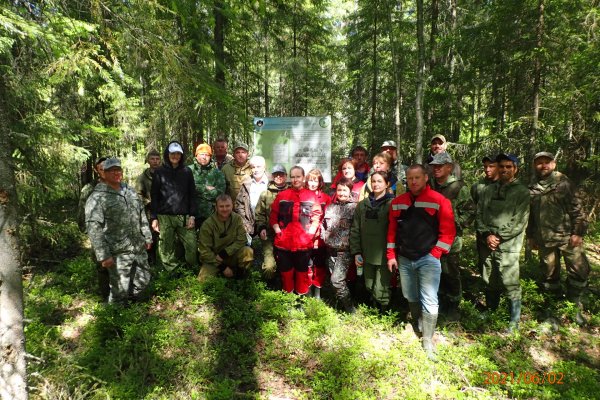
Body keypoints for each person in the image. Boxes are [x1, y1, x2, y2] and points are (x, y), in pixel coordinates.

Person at [386, 164, 455, 359]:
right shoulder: (398, 202)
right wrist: (391, 255)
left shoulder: (439, 200)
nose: (413, 181)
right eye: (410, 178)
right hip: (405, 258)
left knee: (430, 300)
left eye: (417, 177)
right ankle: (417, 323)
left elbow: (448, 230)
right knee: (410, 295)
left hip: (428, 258)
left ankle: (427, 340)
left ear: (426, 178)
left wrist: (436, 253)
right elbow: (391, 231)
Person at [527, 152, 590, 325]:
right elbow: (531, 215)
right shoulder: (532, 187)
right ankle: (551, 311)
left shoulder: (564, 184)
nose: (543, 166)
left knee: (579, 271)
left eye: (547, 162)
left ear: (554, 164)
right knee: (549, 276)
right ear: (535, 166)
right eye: (539, 163)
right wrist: (531, 236)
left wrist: (578, 232)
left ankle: (574, 307)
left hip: (568, 237)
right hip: (545, 239)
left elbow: (578, 209)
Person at [85, 158, 153, 304]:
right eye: (112, 170)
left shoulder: (129, 191)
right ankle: (115, 320)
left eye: (118, 170)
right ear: (104, 173)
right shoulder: (97, 197)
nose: (116, 173)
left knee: (143, 281)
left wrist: (147, 236)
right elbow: (93, 227)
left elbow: (141, 214)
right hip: (118, 252)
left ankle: (134, 311)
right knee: (119, 291)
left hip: (138, 248)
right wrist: (103, 255)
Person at [476, 153, 530, 333]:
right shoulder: (488, 190)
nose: (504, 170)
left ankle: (513, 322)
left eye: (509, 166)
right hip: (487, 242)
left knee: (509, 280)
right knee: (489, 276)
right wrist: (486, 235)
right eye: (502, 166)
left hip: (508, 245)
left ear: (515, 169)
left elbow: (519, 221)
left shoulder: (522, 192)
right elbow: (479, 214)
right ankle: (491, 311)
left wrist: (498, 236)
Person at [429, 152, 475, 321]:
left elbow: (470, 212)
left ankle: (454, 306)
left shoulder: (458, 187)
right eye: (434, 166)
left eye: (440, 166)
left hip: (452, 240)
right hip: (432, 239)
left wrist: (455, 225)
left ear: (449, 167)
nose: (436, 169)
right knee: (436, 272)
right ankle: (440, 304)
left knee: (452, 273)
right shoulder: (430, 185)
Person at [269, 166, 322, 296]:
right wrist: (278, 232)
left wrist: (310, 235)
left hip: (304, 245)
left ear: (303, 178)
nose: (295, 179)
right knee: (286, 274)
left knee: (301, 274)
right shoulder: (282, 195)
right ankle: (288, 300)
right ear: (289, 178)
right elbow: (273, 216)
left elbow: (316, 217)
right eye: (293, 177)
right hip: (283, 244)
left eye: (298, 176)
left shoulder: (311, 196)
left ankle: (301, 300)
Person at [150, 141, 198, 272]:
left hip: (183, 216)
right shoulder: (159, 172)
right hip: (164, 216)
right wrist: (154, 217)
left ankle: (191, 270)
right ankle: (173, 272)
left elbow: (192, 194)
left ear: (182, 155)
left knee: (192, 246)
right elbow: (154, 195)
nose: (175, 156)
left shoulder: (187, 171)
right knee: (166, 247)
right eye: (172, 153)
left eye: (178, 153)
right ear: (167, 154)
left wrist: (192, 215)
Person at [350, 171, 395, 311]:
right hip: (366, 253)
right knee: (369, 285)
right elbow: (355, 229)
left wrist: (393, 253)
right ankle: (373, 309)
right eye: (373, 181)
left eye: (380, 181)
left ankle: (383, 313)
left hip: (384, 255)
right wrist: (356, 251)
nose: (376, 184)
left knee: (381, 288)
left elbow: (396, 230)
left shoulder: (392, 204)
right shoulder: (362, 205)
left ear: (387, 184)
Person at [197, 194, 254, 281]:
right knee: (202, 281)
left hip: (231, 255)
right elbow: (204, 251)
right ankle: (222, 272)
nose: (225, 209)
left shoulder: (237, 219)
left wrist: (225, 253)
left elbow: (242, 239)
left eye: (227, 206)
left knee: (247, 251)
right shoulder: (208, 224)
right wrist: (222, 267)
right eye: (221, 206)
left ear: (232, 205)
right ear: (216, 207)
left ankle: (240, 277)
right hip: (214, 258)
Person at [322, 178, 358, 312]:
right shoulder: (331, 207)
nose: (341, 193)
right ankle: (339, 307)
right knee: (333, 280)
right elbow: (324, 225)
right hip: (330, 249)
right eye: (339, 190)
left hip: (345, 250)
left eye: (344, 190)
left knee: (337, 280)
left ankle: (350, 309)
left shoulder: (355, 208)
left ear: (350, 191)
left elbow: (358, 229)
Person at [78, 156, 110, 301]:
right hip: (99, 236)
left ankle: (123, 300)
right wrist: (92, 235)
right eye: (102, 169)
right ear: (97, 171)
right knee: (102, 267)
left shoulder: (119, 186)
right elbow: (81, 217)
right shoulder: (89, 189)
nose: (105, 171)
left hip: (118, 236)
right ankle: (107, 300)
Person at [255, 164, 289, 285]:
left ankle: (285, 286)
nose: (279, 177)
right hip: (269, 234)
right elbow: (259, 214)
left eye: (281, 174)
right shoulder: (265, 194)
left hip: (288, 236)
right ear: (272, 176)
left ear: (286, 176)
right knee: (269, 266)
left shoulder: (291, 192)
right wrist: (261, 227)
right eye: (276, 175)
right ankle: (270, 285)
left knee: (286, 263)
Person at [305, 168, 332, 299]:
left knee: (319, 265)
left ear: (320, 182)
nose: (312, 183)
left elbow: (328, 219)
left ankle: (318, 292)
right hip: (305, 238)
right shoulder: (302, 195)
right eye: (310, 180)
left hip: (319, 239)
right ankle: (308, 289)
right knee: (307, 264)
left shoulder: (325, 198)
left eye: (315, 181)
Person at [189, 143, 226, 228]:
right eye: (201, 154)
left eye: (207, 155)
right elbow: (184, 191)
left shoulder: (217, 173)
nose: (204, 157)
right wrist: (205, 188)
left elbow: (220, 194)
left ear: (210, 157)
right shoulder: (188, 170)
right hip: (191, 215)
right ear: (196, 155)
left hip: (211, 215)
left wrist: (196, 188)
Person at [135, 149, 161, 265]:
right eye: (152, 159)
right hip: (149, 213)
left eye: (157, 159)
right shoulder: (142, 178)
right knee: (150, 237)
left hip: (164, 212)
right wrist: (149, 202)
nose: (155, 161)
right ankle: (150, 260)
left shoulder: (164, 174)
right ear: (148, 161)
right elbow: (138, 195)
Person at [236, 156, 269, 237]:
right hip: (250, 225)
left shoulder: (270, 183)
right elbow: (239, 204)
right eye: (253, 167)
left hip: (267, 225)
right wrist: (245, 223)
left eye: (258, 167)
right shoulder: (246, 183)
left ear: (264, 167)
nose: (256, 170)